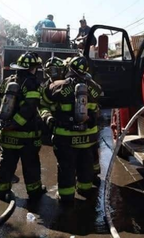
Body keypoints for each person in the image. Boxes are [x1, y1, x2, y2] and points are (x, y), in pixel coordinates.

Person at [39, 56, 102, 204]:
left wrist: (49, 118)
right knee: (86, 166)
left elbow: (43, 104)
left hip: (65, 138)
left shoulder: (56, 86)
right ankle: (85, 190)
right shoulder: (96, 88)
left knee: (66, 168)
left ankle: (66, 197)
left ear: (69, 69)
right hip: (88, 138)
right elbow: (97, 112)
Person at [0, 52, 46, 202]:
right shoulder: (32, 83)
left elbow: (1, 97)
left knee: (6, 161)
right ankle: (34, 190)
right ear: (33, 68)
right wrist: (16, 124)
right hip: (26, 134)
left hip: (7, 131)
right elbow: (29, 108)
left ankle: (1, 188)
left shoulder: (8, 80)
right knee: (30, 163)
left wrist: (9, 124)